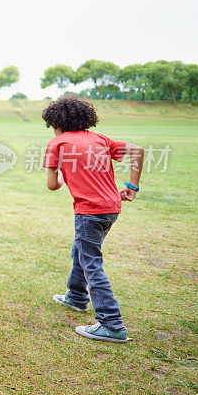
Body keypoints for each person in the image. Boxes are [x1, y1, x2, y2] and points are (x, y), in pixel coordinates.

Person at [42, 96, 143, 343]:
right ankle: (76, 297)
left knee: (91, 262)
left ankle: (112, 324)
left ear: (57, 123)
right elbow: (138, 151)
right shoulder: (99, 139)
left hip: (89, 211)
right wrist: (132, 186)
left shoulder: (57, 143)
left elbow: (52, 185)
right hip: (112, 208)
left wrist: (68, 176)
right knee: (82, 250)